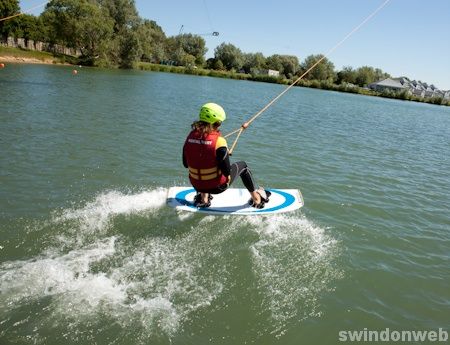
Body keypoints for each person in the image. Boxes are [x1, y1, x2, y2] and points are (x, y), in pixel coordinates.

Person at [182, 102, 270, 208]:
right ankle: (257, 199)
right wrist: (224, 154)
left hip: (197, 185)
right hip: (217, 188)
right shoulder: (219, 142)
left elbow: (185, 164)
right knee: (243, 166)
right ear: (218, 123)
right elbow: (227, 171)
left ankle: (204, 198)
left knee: (203, 161)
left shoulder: (190, 137)